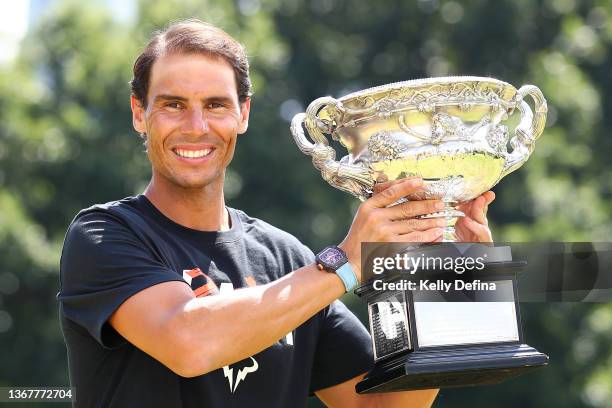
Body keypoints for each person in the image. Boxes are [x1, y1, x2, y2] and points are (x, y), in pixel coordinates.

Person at [57, 19, 495, 408]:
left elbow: (384, 406)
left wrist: (451, 285)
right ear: (140, 113)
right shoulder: (103, 235)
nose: (196, 126)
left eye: (215, 105)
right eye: (173, 104)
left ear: (243, 114)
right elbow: (188, 343)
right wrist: (347, 262)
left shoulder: (287, 258)